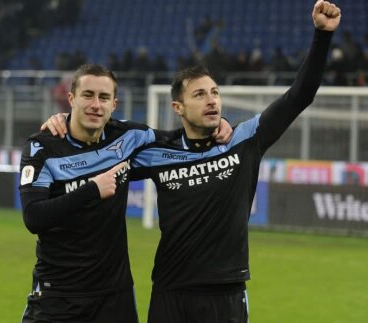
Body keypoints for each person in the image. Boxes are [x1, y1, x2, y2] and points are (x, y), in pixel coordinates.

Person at [42, 1, 341, 321]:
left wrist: (322, 36)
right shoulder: (157, 150)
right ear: (178, 108)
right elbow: (106, 131)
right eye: (199, 95)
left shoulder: (245, 141)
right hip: (170, 293)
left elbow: (300, 95)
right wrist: (66, 119)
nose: (211, 99)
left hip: (226, 293)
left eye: (214, 92)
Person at [19, 63, 233, 322]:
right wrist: (93, 189)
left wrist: (219, 123)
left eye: (104, 97)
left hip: (114, 297)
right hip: (58, 295)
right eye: (88, 95)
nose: (95, 105)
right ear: (71, 99)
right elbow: (34, 217)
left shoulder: (128, 137)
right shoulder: (42, 146)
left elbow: (183, 138)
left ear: (114, 105)